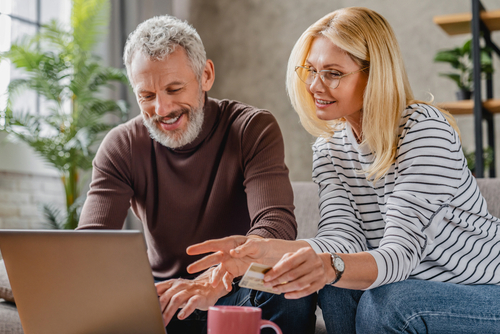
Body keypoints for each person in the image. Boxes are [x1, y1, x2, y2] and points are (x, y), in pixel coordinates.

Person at [186, 7, 500, 334]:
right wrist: (261, 253)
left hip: (486, 288)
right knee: (336, 288)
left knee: (391, 302)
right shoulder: (331, 146)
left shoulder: (423, 131)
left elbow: (401, 254)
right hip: (415, 285)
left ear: (374, 74)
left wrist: (326, 266)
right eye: (311, 69)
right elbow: (340, 239)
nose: (314, 85)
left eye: (333, 73)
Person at [77, 15, 316, 334]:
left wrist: (222, 275)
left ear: (205, 75)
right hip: (164, 297)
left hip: (237, 289)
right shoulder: (122, 145)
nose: (161, 109)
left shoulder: (250, 128)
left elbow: (277, 225)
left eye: (174, 89)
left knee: (290, 290)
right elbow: (90, 244)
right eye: (146, 96)